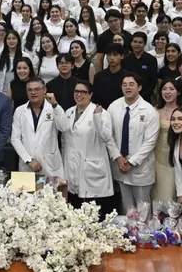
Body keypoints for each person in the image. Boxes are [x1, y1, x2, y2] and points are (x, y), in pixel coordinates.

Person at [49, 80, 115, 217]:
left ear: (90, 95)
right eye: (76, 91)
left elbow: (106, 137)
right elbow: (62, 127)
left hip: (92, 169)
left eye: (83, 92)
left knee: (93, 214)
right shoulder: (69, 112)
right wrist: (55, 105)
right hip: (72, 168)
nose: (79, 95)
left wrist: (97, 118)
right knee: (75, 210)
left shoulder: (101, 112)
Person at [107, 73, 160, 212]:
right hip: (120, 164)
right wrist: (117, 156)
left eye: (131, 84)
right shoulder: (113, 107)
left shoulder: (149, 111)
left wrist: (131, 162)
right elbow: (108, 135)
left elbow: (150, 142)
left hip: (140, 167)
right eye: (124, 85)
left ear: (139, 87)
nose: (128, 87)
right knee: (127, 209)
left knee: (143, 209)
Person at [11, 77, 64, 178]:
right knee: (26, 188)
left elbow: (63, 127)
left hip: (50, 163)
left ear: (44, 90)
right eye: (30, 90)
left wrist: (55, 105)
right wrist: (28, 160)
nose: (33, 92)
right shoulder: (20, 111)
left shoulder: (53, 108)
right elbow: (15, 138)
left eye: (37, 89)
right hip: (27, 164)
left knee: (52, 188)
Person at [153, 79, 182, 203]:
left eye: (171, 89)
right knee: (154, 194)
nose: (167, 92)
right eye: (164, 89)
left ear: (178, 92)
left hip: (173, 159)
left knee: (168, 195)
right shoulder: (155, 110)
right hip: (156, 157)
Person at [121, 32, 158, 101]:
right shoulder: (125, 59)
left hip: (145, 97)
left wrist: (143, 95)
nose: (137, 44)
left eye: (140, 42)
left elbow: (153, 80)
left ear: (145, 44)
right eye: (135, 42)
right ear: (131, 43)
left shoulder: (151, 59)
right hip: (127, 96)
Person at [92, 44, 126, 109]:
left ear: (122, 56)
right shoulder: (99, 76)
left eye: (115, 55)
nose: (112, 58)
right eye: (109, 55)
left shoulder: (127, 77)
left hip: (121, 110)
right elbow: (95, 98)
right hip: (102, 110)